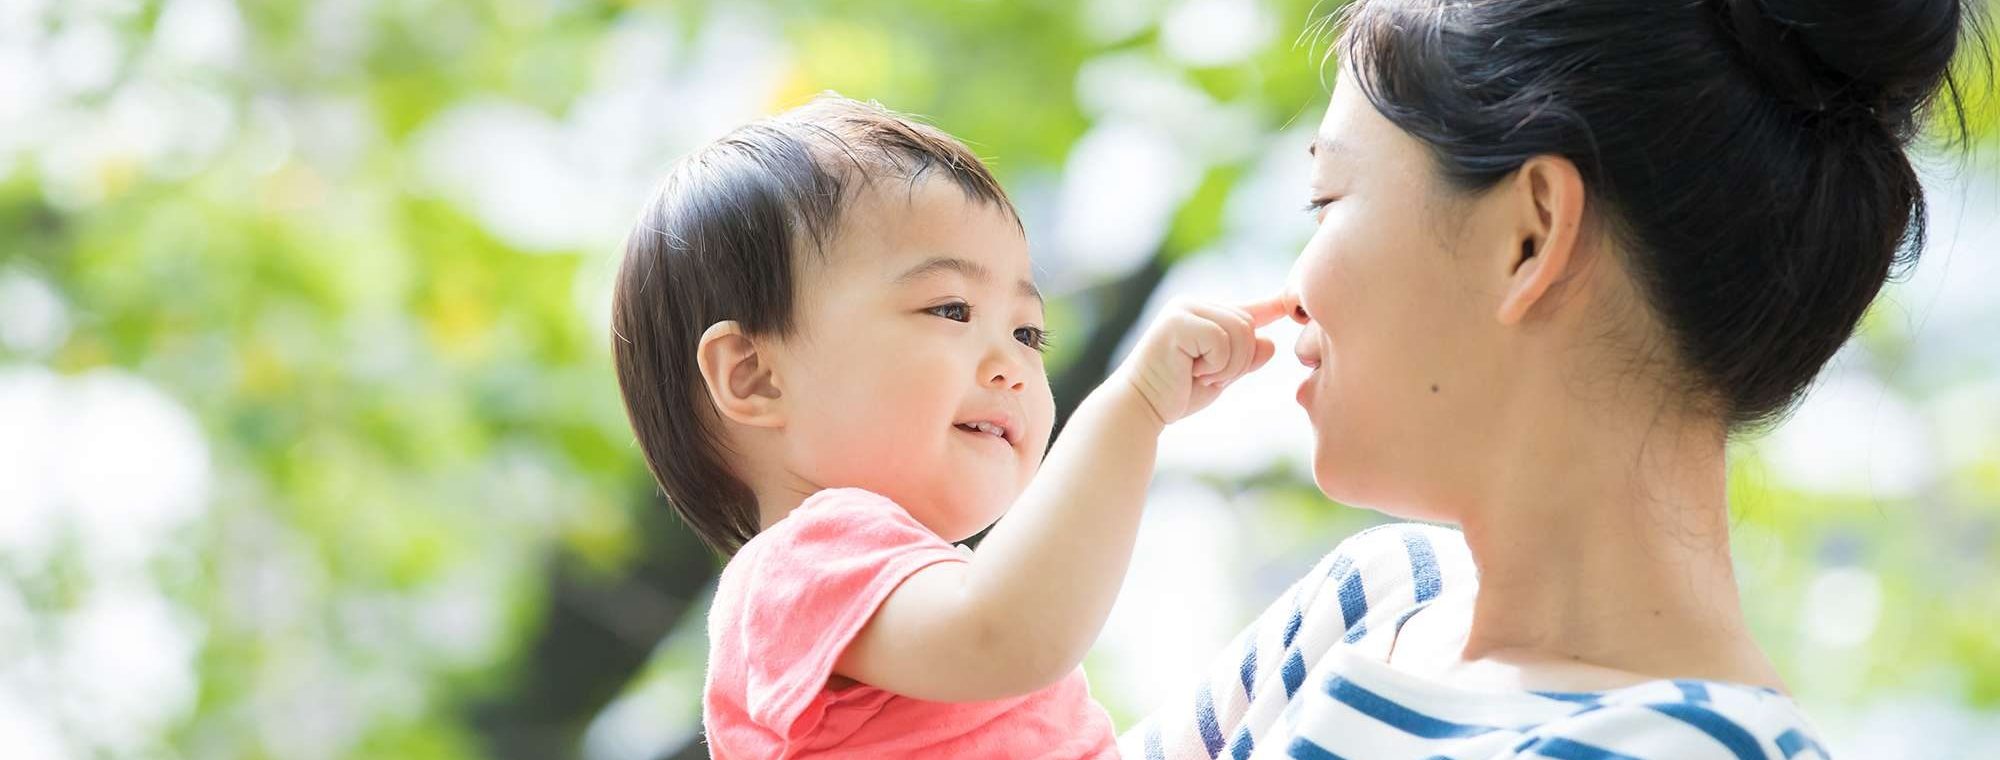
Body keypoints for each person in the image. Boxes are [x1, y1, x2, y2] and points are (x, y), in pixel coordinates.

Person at [1127, 0, 1985, 757]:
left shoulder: (1680, 750)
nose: (1292, 293)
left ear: (1531, 236)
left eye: (1327, 200)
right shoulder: (1369, 603)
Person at [609, 93, 1284, 759]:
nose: (1013, 366)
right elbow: (1006, 636)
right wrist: (1134, 407)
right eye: (952, 310)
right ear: (754, 375)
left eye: (1027, 332)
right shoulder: (803, 565)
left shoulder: (920, 593)